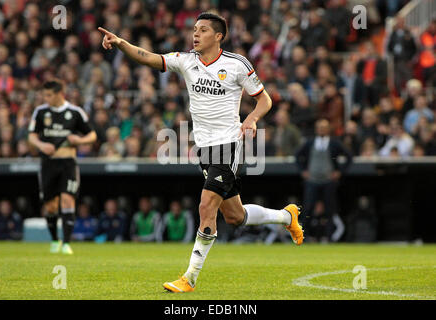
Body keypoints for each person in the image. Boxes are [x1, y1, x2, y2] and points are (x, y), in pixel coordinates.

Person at [99, 12, 304, 293]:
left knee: (206, 207)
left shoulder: (236, 64)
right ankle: (286, 217)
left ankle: (190, 278)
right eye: (194, 29)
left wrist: (252, 119)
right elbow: (148, 57)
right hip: (204, 148)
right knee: (235, 216)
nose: (195, 34)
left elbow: (264, 100)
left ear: (218, 36)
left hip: (229, 144)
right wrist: (121, 43)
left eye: (203, 30)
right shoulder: (186, 61)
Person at [28, 80, 97, 254]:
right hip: (48, 164)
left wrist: (79, 140)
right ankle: (54, 239)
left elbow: (92, 135)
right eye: (44, 95)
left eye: (49, 95)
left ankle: (66, 243)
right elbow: (32, 136)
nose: (46, 98)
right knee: (50, 206)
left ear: (60, 93)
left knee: (67, 199)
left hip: (68, 163)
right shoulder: (41, 112)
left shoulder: (74, 112)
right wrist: (41, 145)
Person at [295, 119, 352, 242]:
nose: (321, 129)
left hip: (328, 181)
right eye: (319, 127)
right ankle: (304, 237)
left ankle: (330, 237)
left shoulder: (334, 143)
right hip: (312, 181)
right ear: (316, 129)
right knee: (308, 209)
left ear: (328, 129)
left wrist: (340, 172)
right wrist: (303, 171)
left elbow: (349, 156)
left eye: (324, 127)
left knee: (330, 210)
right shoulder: (310, 142)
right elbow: (297, 156)